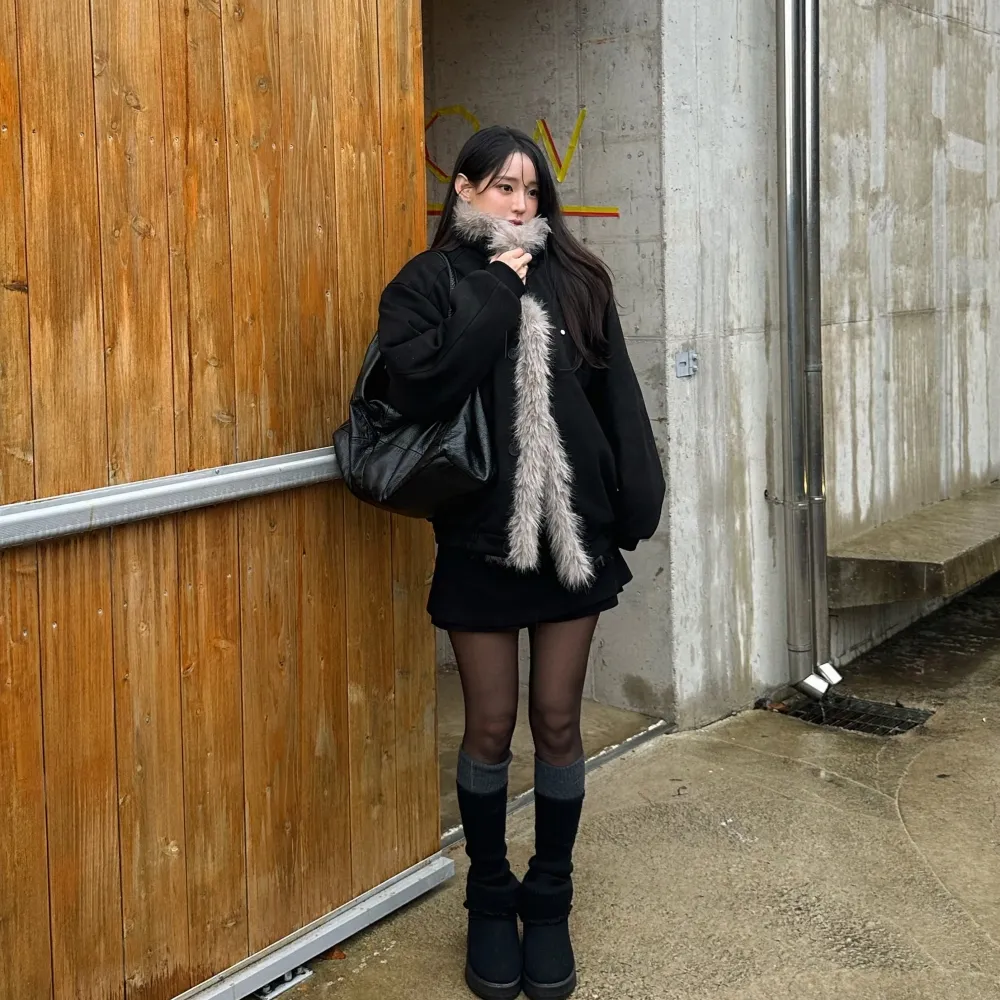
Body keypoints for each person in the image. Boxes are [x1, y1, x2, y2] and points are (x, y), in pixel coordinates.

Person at [376, 126, 665, 1000]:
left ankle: (550, 897)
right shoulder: (428, 283)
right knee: (490, 727)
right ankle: (489, 896)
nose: (521, 203)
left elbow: (616, 396)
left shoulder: (578, 278)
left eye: (532, 190)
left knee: (559, 723)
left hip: (574, 540)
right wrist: (497, 292)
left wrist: (637, 498)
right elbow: (420, 386)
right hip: (482, 540)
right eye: (504, 186)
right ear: (464, 189)